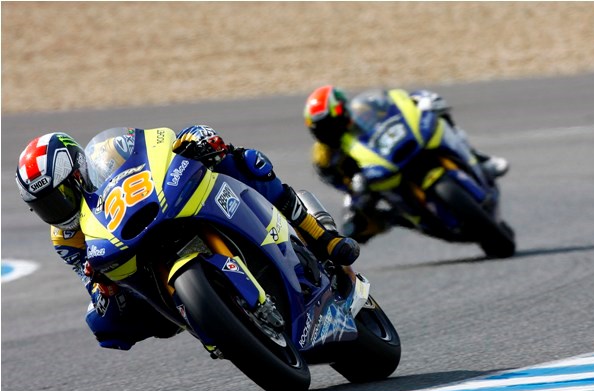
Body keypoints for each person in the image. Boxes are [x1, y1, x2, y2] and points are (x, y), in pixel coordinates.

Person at [15, 126, 359, 350]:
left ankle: (320, 235)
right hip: (133, 260)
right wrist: (101, 288)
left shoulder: (109, 151)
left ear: (78, 172)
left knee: (244, 162)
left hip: (161, 204)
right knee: (103, 323)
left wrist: (192, 139)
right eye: (44, 206)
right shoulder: (65, 237)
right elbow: (87, 279)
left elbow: (153, 148)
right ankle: (205, 319)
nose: (55, 210)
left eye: (58, 197)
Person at [303, 85, 510, 243]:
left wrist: (420, 101)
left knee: (439, 118)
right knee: (354, 227)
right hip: (370, 177)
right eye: (321, 129)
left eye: (330, 123)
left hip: (394, 148)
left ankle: (480, 159)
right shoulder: (324, 155)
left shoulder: (364, 108)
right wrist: (356, 190)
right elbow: (338, 181)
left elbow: (394, 104)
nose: (328, 131)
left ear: (342, 110)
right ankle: (402, 218)